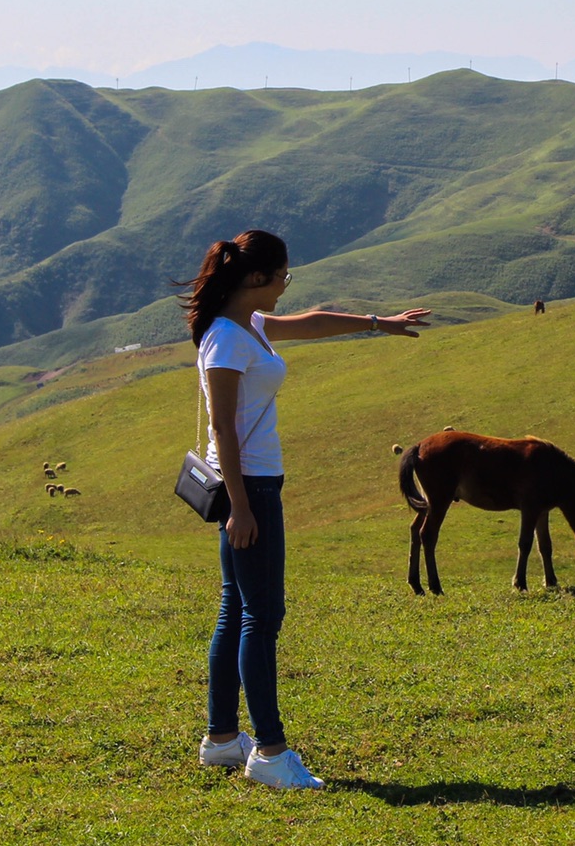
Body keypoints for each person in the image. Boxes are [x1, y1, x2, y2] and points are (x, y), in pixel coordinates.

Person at [176, 229, 430, 790]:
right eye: (283, 276)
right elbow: (223, 426)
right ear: (255, 279)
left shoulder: (249, 325)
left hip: (253, 485)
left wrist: (376, 323)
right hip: (250, 489)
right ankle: (269, 752)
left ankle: (221, 739)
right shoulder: (225, 339)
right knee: (261, 618)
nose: (287, 286)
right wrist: (242, 507)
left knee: (236, 609)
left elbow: (312, 322)